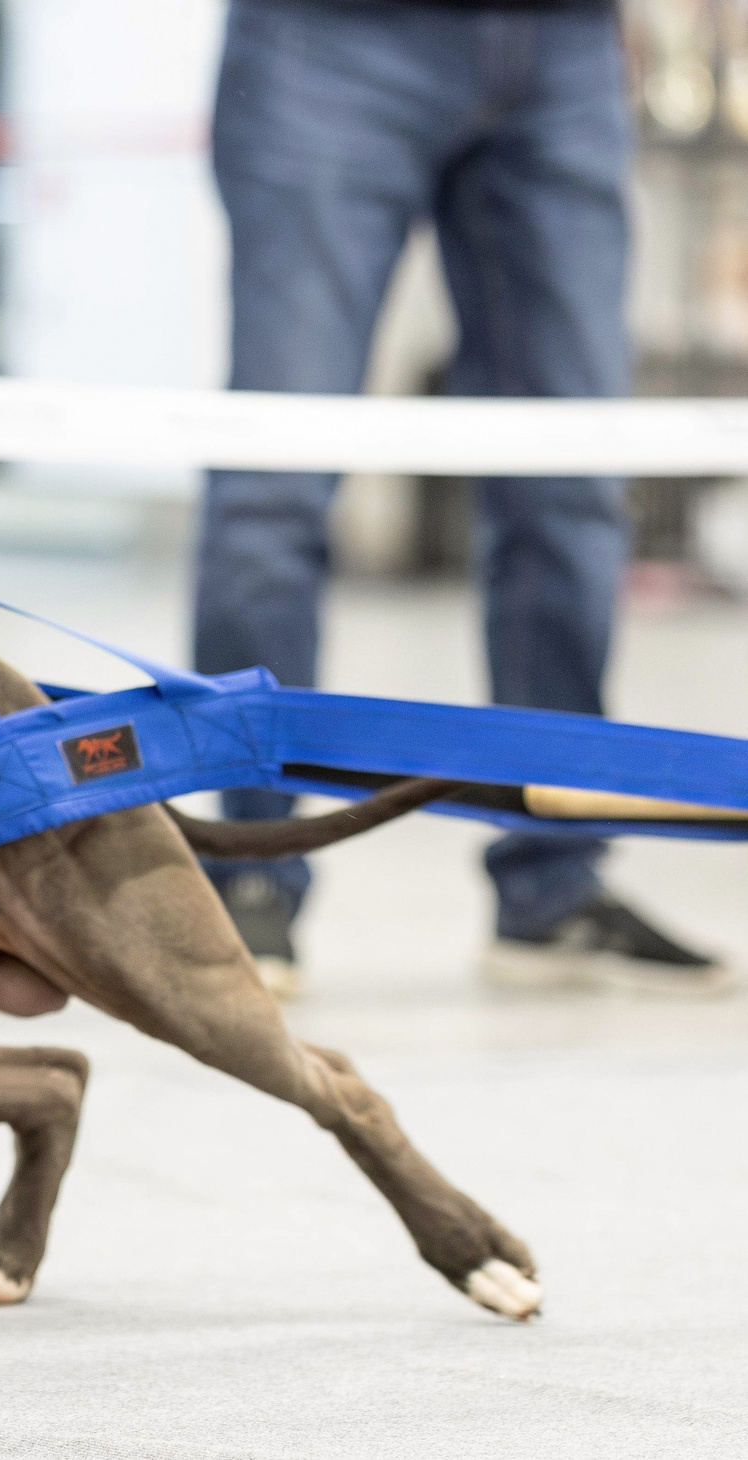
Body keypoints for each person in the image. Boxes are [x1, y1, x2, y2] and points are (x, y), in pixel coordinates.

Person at [196, 0, 731, 998]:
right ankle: (247, 876)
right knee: (274, 482)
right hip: (331, 35)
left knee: (572, 489)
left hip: (565, 42)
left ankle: (553, 884)